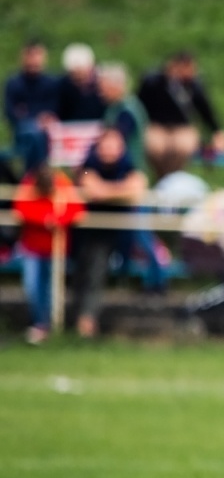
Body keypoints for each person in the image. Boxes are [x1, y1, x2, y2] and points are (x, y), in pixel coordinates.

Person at [72, 127, 148, 337]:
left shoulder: (129, 165)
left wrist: (106, 190)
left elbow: (138, 186)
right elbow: (90, 187)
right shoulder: (87, 167)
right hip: (84, 232)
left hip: (118, 231)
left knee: (96, 270)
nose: (109, 150)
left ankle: (85, 322)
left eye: (115, 145)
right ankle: (80, 321)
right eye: (106, 144)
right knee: (85, 273)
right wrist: (120, 190)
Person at [11, 156, 84, 344]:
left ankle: (51, 326)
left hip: (56, 249)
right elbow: (20, 210)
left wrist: (58, 220)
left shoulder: (62, 185)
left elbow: (77, 211)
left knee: (53, 289)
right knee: (33, 286)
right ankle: (39, 323)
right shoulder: (28, 185)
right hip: (32, 248)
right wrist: (45, 220)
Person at [137, 51, 224, 178]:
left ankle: (173, 178)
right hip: (157, 125)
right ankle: (163, 178)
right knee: (156, 147)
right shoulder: (153, 82)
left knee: (182, 147)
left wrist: (217, 131)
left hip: (182, 127)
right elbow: (139, 105)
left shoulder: (194, 86)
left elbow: (206, 111)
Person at [4, 39, 59, 172]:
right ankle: (37, 174)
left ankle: (33, 175)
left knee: (38, 135)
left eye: (37, 55)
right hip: (23, 134)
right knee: (33, 133)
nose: (34, 60)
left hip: (47, 134)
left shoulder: (51, 83)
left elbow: (55, 109)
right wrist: (35, 120)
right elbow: (11, 113)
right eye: (30, 55)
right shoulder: (14, 83)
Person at [98, 64, 148, 170]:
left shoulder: (127, 111)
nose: (100, 92)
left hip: (128, 167)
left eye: (104, 87)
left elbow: (114, 141)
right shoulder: (115, 106)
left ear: (116, 86)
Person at [56, 43, 106, 122]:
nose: (79, 78)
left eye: (81, 73)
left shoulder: (102, 86)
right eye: (74, 74)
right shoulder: (62, 86)